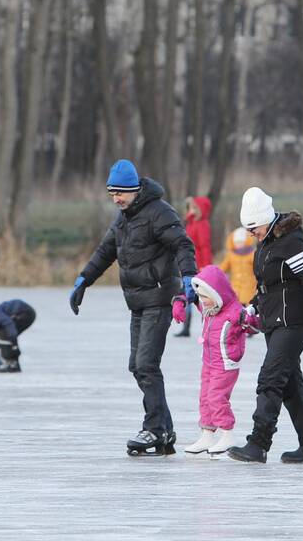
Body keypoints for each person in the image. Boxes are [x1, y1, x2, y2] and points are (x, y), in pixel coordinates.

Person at [68, 159, 198, 457]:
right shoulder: (123, 218)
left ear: (136, 190)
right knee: (136, 365)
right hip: (137, 302)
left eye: (121, 193)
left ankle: (154, 427)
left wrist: (189, 276)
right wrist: (84, 280)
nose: (116, 198)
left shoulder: (158, 213)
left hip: (158, 297)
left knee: (146, 365)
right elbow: (105, 251)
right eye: (112, 193)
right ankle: (164, 428)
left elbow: (182, 244)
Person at [228, 187, 303, 464]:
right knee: (290, 383)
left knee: (270, 379)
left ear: (266, 219)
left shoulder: (292, 242)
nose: (251, 233)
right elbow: (269, 284)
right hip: (273, 320)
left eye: (254, 227)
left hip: (294, 322)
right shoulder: (265, 242)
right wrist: (253, 305)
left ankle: (258, 443)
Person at [174, 265, 259, 457]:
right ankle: (207, 435)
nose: (203, 302)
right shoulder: (209, 307)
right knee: (205, 397)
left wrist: (252, 320)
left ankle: (227, 434)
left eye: (206, 297)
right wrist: (180, 302)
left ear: (217, 293)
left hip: (226, 364)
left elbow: (254, 327)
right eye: (202, 298)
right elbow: (192, 295)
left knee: (216, 397)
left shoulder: (235, 311)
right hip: (209, 362)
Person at [176, 196, 213, 337]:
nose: (192, 210)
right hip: (189, 263)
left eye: (195, 208)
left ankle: (209, 326)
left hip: (199, 266)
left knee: (201, 298)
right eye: (191, 208)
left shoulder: (202, 224)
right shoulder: (191, 222)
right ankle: (186, 327)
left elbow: (205, 247)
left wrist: (205, 266)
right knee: (188, 293)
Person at [218, 227, 257, 306]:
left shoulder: (251, 254)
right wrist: (215, 272)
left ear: (246, 241)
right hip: (235, 288)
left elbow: (257, 268)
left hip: (249, 287)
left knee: (248, 308)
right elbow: (223, 267)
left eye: (240, 242)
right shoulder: (231, 255)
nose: (238, 245)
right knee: (236, 308)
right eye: (237, 242)